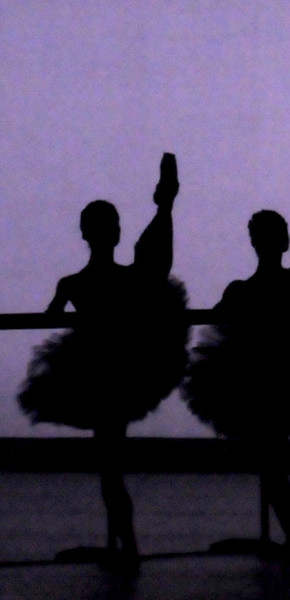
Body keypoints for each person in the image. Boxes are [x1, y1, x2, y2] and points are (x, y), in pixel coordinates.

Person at [182, 146, 290, 558]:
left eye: (266, 236)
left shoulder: (289, 282)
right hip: (257, 378)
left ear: (276, 241)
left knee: (271, 458)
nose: (261, 241)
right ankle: (286, 536)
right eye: (258, 236)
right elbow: (221, 315)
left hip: (283, 377)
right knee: (268, 457)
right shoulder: (244, 289)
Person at [19, 154, 188, 565]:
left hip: (106, 373)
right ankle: (122, 545)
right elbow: (53, 315)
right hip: (105, 372)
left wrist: (164, 206)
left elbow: (50, 317)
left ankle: (126, 548)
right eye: (105, 227)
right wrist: (164, 206)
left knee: (109, 467)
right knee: (109, 465)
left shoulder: (81, 281)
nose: (107, 233)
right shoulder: (90, 280)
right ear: (104, 235)